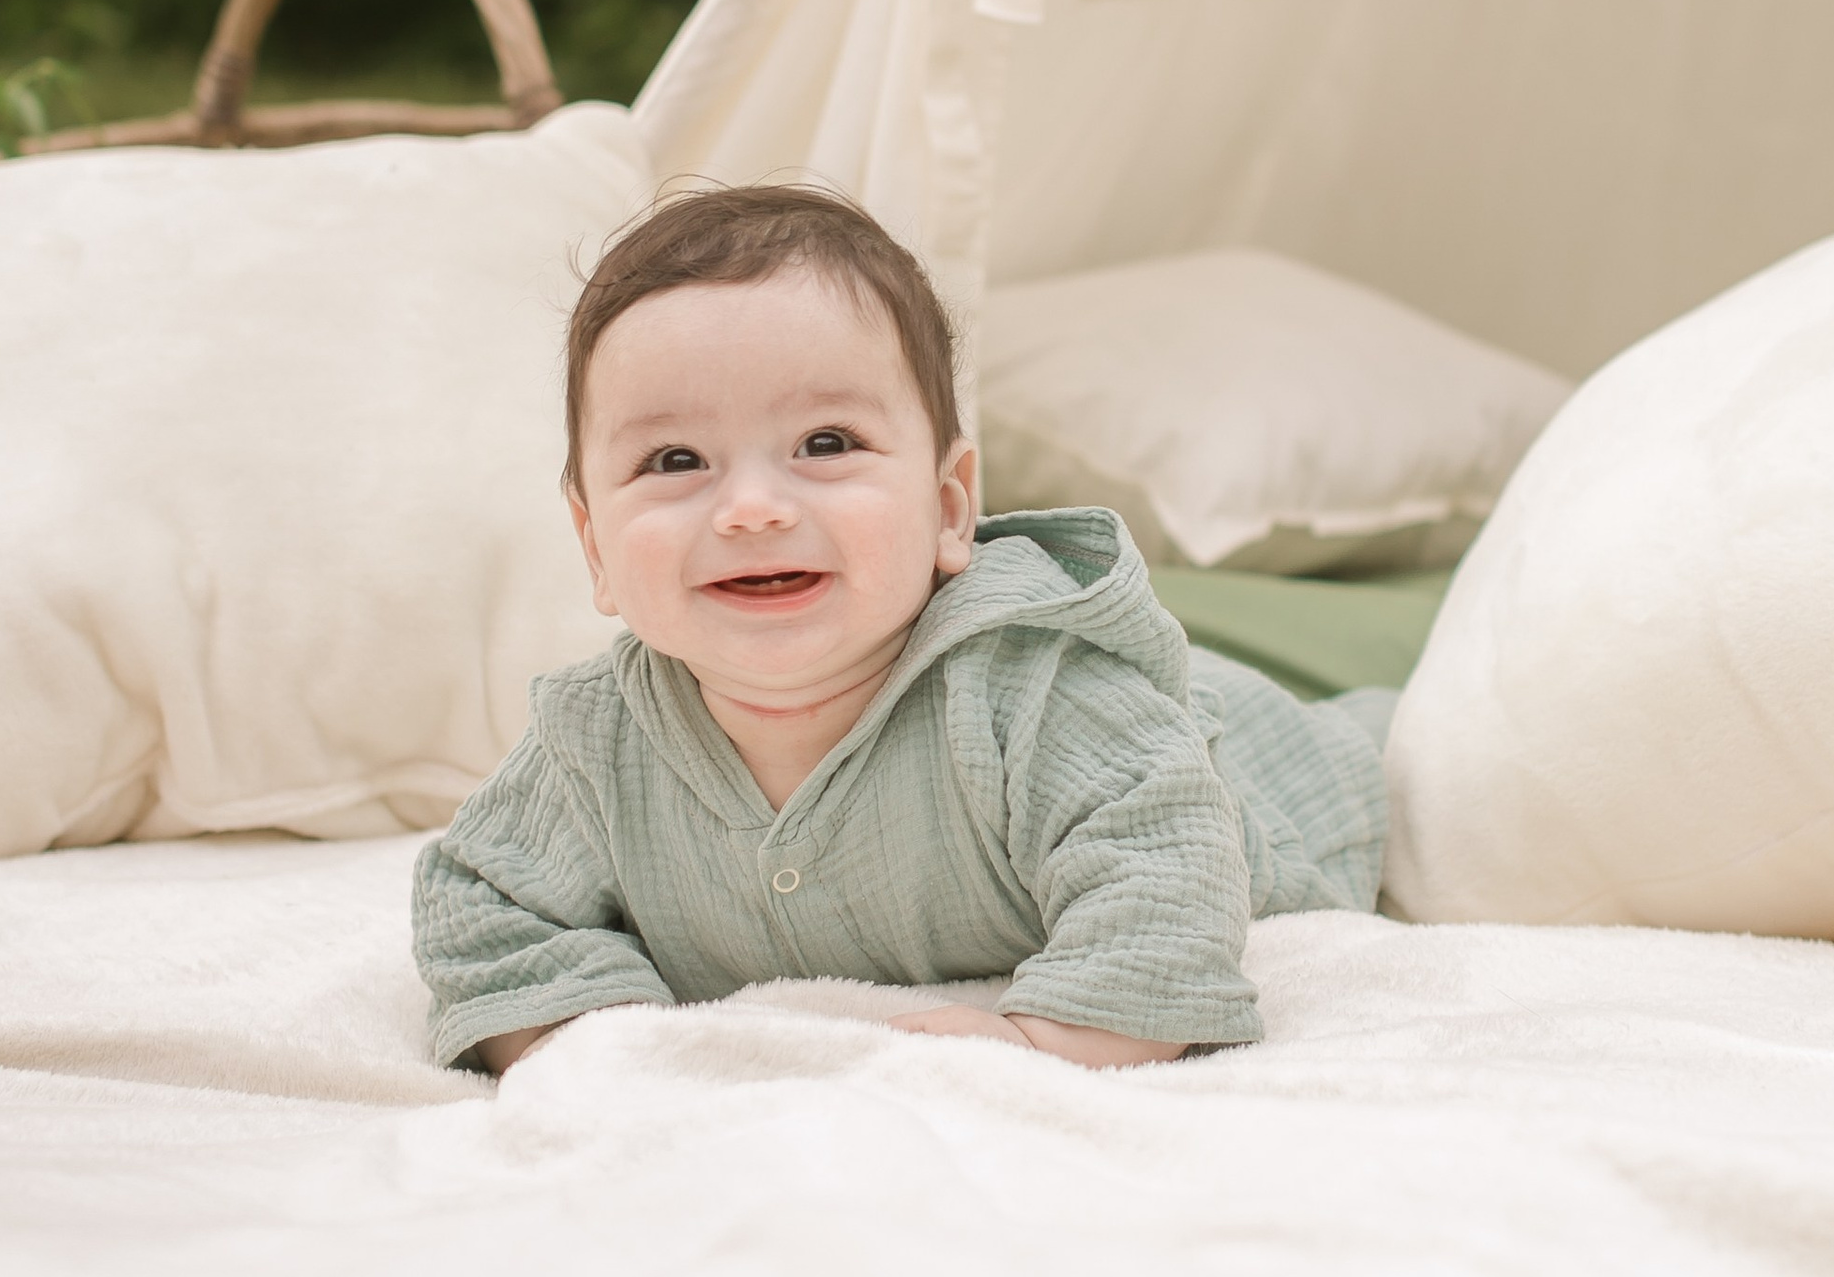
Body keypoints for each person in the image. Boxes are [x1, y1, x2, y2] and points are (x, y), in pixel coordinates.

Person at [412, 183, 1393, 1075]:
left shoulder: (1034, 693)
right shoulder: (593, 742)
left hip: (1297, 770)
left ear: (949, 505)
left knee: (1432, 741)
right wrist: (601, 1035)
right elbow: (480, 902)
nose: (751, 506)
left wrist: (1041, 1040)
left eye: (824, 444)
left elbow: (1164, 880)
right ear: (593, 545)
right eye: (674, 458)